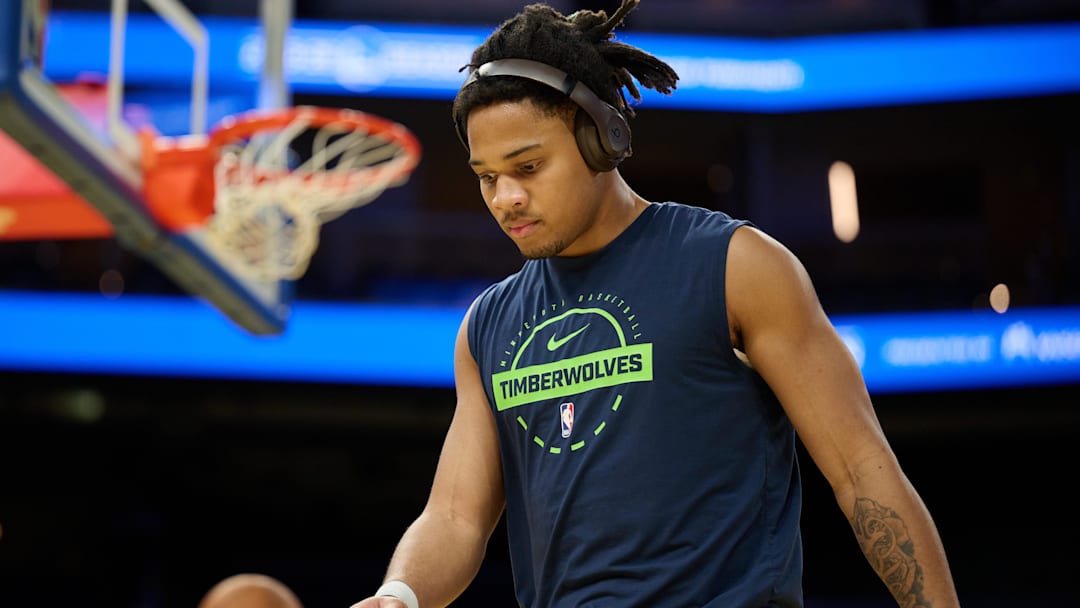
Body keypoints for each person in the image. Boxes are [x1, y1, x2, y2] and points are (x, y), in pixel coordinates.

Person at [352, 1, 960, 607]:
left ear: (601, 137)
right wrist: (397, 596)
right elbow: (455, 517)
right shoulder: (486, 327)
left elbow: (861, 473)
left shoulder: (736, 265)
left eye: (528, 166)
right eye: (486, 176)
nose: (505, 197)